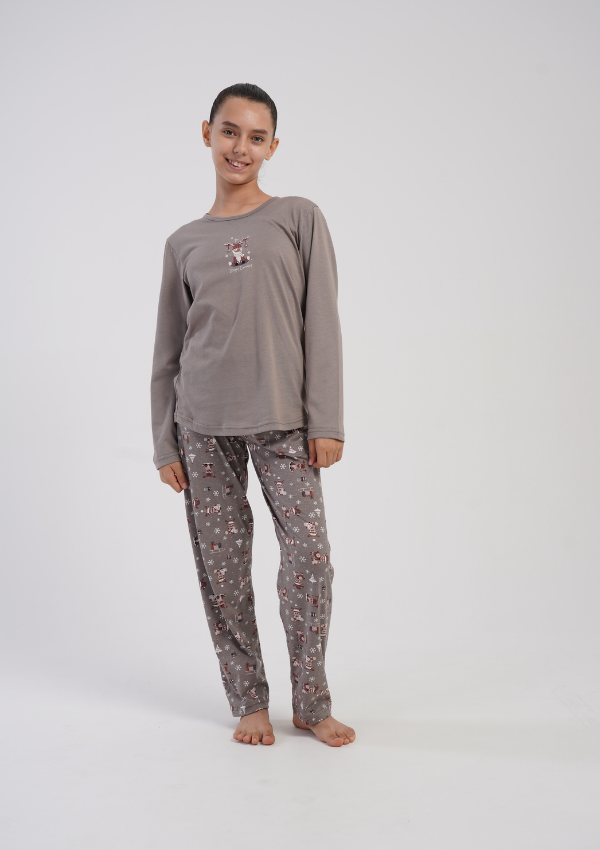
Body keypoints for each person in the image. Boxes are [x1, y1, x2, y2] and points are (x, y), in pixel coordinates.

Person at [150, 83, 355, 748]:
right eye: (230, 131)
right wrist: (164, 442)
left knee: (310, 556)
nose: (241, 147)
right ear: (207, 133)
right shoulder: (183, 242)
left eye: (256, 137)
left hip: (284, 421)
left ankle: (311, 701)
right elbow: (169, 349)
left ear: (272, 146)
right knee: (223, 570)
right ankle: (248, 700)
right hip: (202, 427)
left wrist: (326, 420)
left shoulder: (297, 217)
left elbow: (322, 320)